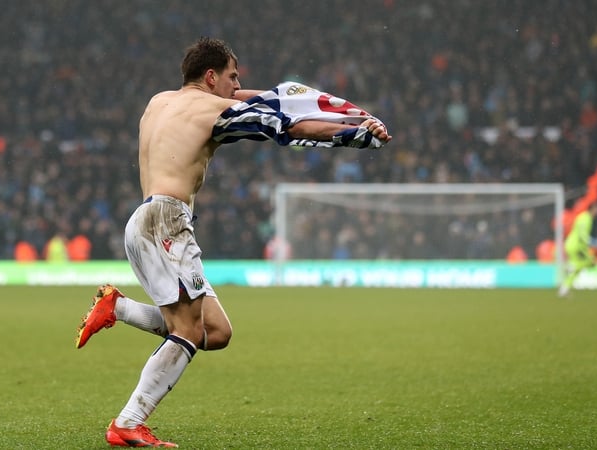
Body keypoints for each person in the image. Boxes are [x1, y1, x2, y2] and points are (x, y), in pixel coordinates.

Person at [74, 37, 391, 447]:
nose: (238, 85)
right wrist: (353, 132)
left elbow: (252, 98)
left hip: (142, 221)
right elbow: (288, 127)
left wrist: (282, 96)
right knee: (187, 331)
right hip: (168, 221)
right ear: (211, 76)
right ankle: (129, 422)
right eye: (232, 76)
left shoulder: (158, 102)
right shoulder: (216, 108)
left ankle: (117, 307)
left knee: (216, 332)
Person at [558, 201, 597, 297]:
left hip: (573, 245)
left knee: (584, 264)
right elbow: (583, 235)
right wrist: (592, 242)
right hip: (576, 246)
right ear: (593, 209)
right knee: (588, 262)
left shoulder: (584, 217)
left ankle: (565, 287)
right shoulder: (586, 219)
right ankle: (569, 268)